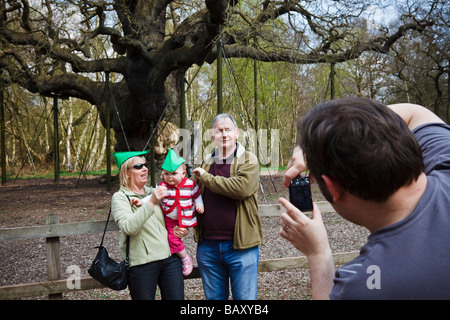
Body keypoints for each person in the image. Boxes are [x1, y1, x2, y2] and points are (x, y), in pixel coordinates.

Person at [279, 97, 450, 299]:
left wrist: (318, 253)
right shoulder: (444, 158)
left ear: (334, 188)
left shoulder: (367, 282)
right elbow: (413, 112)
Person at [192, 113, 263, 300]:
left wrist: (206, 178)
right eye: (219, 130)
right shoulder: (205, 162)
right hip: (208, 247)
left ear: (237, 133)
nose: (224, 135)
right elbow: (189, 190)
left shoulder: (248, 160)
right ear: (212, 135)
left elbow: (240, 188)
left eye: (228, 130)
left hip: (241, 247)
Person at [111, 150, 186, 300]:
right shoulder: (120, 198)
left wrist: (182, 228)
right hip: (142, 263)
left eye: (145, 165)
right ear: (126, 173)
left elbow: (176, 212)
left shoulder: (155, 190)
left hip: (169, 258)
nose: (145, 168)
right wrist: (151, 202)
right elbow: (128, 228)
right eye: (138, 166)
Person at [131, 149, 204, 277]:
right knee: (170, 239)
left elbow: (197, 195)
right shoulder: (163, 186)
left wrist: (199, 205)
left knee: (172, 239)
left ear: (183, 173)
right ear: (162, 174)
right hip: (169, 218)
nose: (170, 177)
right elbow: (152, 196)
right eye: (167, 174)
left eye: (174, 174)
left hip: (184, 217)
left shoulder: (190, 184)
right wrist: (141, 202)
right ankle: (179, 256)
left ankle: (185, 258)